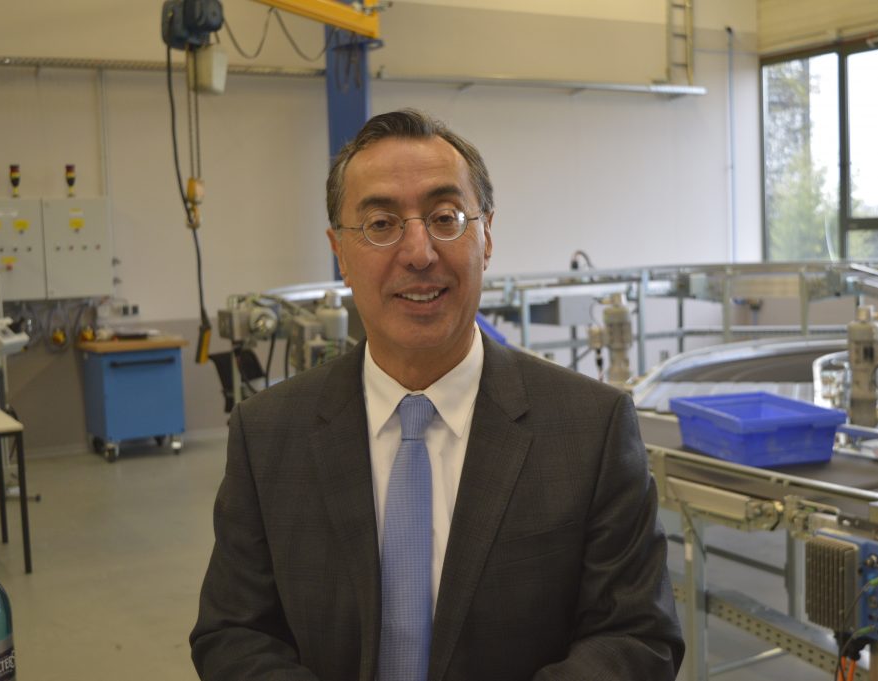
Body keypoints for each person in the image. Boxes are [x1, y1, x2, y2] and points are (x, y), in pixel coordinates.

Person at [190, 108, 684, 680]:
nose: (419, 253)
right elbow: (234, 632)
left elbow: (636, 636)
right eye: (380, 224)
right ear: (340, 253)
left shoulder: (590, 428)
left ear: (486, 236)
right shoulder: (268, 433)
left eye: (445, 217)